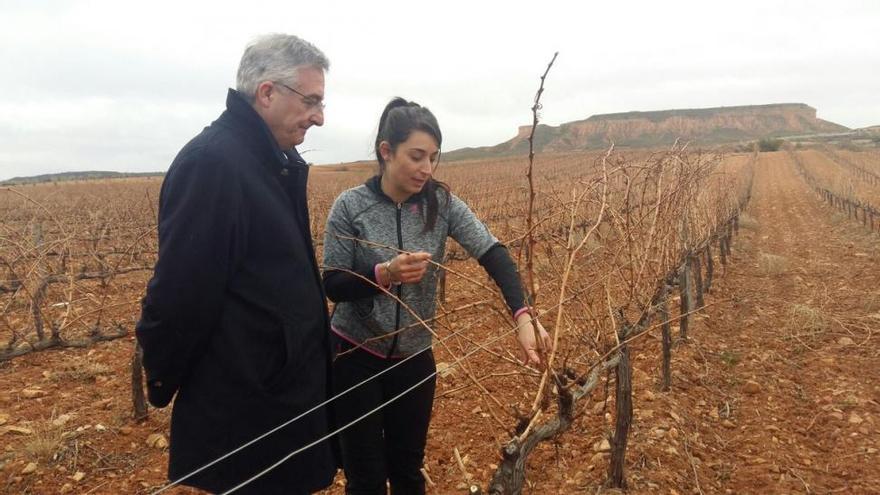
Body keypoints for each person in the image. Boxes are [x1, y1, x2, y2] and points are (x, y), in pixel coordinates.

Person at [135, 34, 336, 494]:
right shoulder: (214, 164)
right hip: (249, 408)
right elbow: (179, 296)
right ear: (267, 93)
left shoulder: (271, 161)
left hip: (280, 398)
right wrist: (162, 377)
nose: (320, 117)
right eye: (311, 101)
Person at [322, 97, 552, 494]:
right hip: (354, 357)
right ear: (386, 151)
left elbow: (492, 252)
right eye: (416, 156)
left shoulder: (441, 204)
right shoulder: (350, 206)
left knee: (408, 471)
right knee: (365, 479)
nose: (426, 169)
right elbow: (333, 284)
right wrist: (383, 274)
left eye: (433, 158)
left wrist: (522, 315)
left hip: (413, 360)